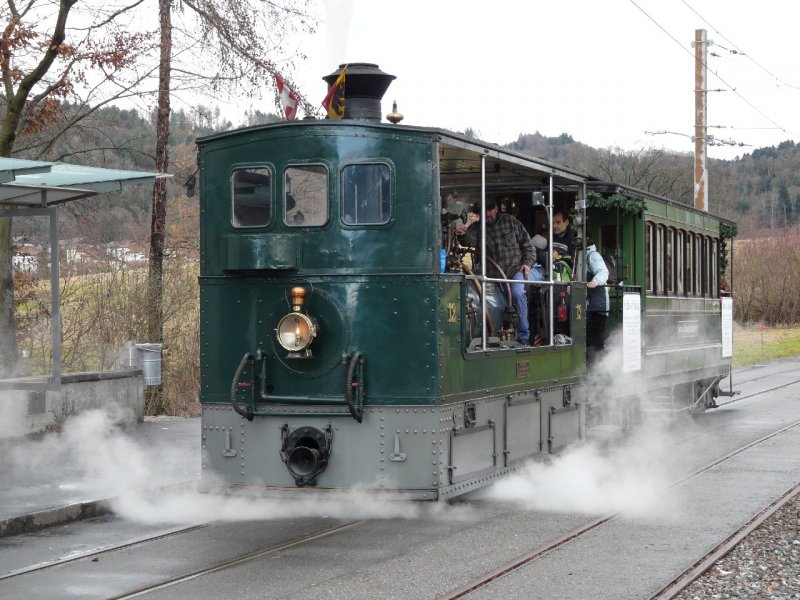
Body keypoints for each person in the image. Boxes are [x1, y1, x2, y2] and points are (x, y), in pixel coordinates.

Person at [460, 198, 543, 344]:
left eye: (490, 211)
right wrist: (461, 232)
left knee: (517, 294)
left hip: (514, 270)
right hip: (491, 276)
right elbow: (468, 241)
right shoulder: (477, 228)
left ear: (496, 208)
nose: (488, 215)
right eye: (484, 213)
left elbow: (528, 244)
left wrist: (527, 264)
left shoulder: (510, 221)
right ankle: (493, 335)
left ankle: (524, 336)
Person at [585, 234, 609, 361]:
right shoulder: (581, 256)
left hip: (597, 306)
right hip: (589, 305)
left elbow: (603, 272)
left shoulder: (592, 255)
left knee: (595, 340)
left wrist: (595, 282)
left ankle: (598, 371)